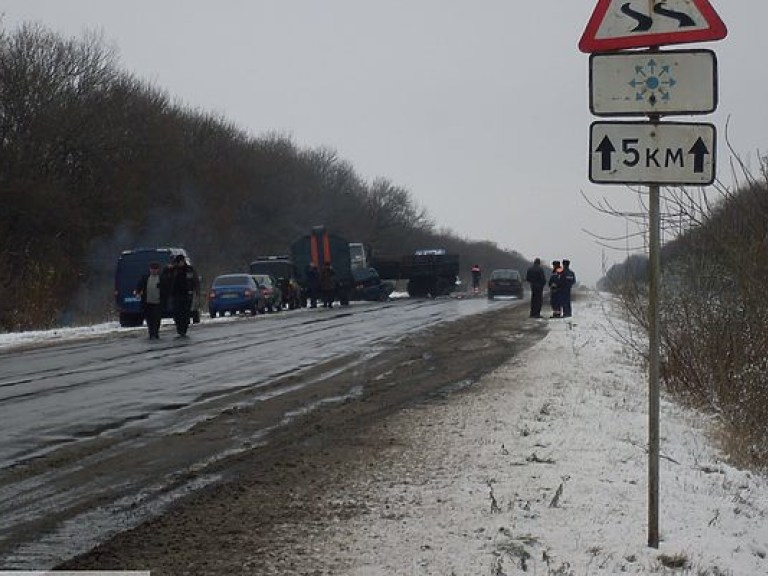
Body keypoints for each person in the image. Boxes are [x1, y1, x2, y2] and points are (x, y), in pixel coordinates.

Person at [168, 254, 199, 336]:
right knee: (177, 313)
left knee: (185, 313)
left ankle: (184, 329)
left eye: (182, 261)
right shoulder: (173, 270)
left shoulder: (189, 269)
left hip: (187, 294)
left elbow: (195, 280)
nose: (181, 263)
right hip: (176, 294)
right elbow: (167, 279)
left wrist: (196, 290)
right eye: (179, 262)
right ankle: (179, 328)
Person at [135, 261, 166, 339]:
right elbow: (139, 286)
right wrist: (138, 293)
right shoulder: (145, 278)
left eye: (155, 269)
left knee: (157, 318)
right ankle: (151, 332)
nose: (153, 271)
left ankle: (156, 332)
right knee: (149, 318)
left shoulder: (161, 278)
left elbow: (166, 289)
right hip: (147, 302)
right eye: (152, 269)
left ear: (158, 270)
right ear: (150, 269)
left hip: (158, 302)